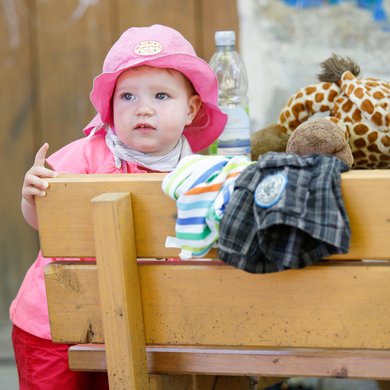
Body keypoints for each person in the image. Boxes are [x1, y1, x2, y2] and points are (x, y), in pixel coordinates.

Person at [11, 24, 227, 389]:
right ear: (110, 107)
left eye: (161, 96)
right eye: (127, 97)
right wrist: (31, 197)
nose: (143, 108)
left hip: (137, 324)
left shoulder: (195, 173)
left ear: (191, 110)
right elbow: (44, 223)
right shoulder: (86, 155)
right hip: (54, 324)